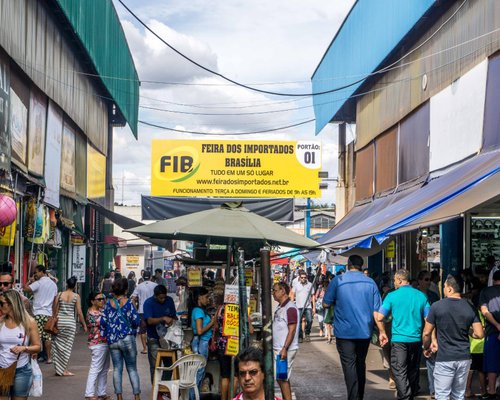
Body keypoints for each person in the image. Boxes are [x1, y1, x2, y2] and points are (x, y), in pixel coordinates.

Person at [323, 254, 386, 400]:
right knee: (360, 363)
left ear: (348, 265)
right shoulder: (370, 283)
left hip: (344, 332)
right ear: (361, 266)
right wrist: (382, 331)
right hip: (364, 331)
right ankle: (360, 395)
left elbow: (326, 303)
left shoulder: (338, 281)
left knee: (349, 365)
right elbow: (377, 311)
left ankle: (354, 397)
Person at [422, 275, 484, 400]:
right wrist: (467, 331)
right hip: (464, 358)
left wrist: (427, 346)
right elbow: (479, 334)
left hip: (444, 357)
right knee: (458, 395)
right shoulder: (470, 307)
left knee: (442, 395)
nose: (443, 289)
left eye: (444, 286)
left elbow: (426, 333)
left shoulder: (436, 306)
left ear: (450, 289)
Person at [375, 269, 430, 400]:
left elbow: (380, 316)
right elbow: (428, 319)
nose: (394, 282)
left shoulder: (392, 296)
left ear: (400, 280)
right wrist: (427, 337)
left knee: (399, 370)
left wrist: (382, 330)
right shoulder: (421, 296)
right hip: (416, 339)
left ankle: (405, 396)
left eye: (394, 280)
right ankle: (409, 393)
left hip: (399, 340)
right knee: (413, 369)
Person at [101, 278, 141, 400]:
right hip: (127, 339)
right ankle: (137, 396)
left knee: (117, 369)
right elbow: (136, 321)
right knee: (132, 368)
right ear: (126, 290)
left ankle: (119, 396)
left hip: (113, 341)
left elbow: (103, 322)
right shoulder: (129, 303)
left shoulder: (108, 304)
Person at [0, 289, 41, 399]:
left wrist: (24, 348)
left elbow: (37, 347)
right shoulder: (1, 322)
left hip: (21, 371)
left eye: (1, 303)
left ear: (11, 303)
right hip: (2, 369)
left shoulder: (29, 322)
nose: (0, 306)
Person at [213, 294, 254, 400]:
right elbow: (251, 330)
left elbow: (216, 327)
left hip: (222, 345)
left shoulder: (220, 308)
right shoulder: (241, 310)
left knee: (225, 376)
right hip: (235, 345)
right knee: (236, 376)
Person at [52, 276, 87, 376]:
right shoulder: (76, 296)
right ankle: (64, 370)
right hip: (70, 324)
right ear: (75, 285)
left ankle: (59, 369)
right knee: (67, 347)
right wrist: (84, 325)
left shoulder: (59, 295)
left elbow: (55, 309)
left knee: (58, 346)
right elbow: (79, 312)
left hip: (60, 322)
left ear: (66, 284)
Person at [23, 264, 58, 364]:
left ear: (42, 272)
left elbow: (25, 289)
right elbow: (55, 301)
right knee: (47, 337)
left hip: (38, 313)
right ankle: (49, 357)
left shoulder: (38, 283)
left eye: (36, 272)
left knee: (36, 335)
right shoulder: (53, 284)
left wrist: (30, 281)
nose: (35, 274)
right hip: (48, 313)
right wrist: (54, 314)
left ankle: (35, 356)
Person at [143, 285, 176, 383]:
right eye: (160, 298)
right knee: (155, 366)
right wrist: (163, 318)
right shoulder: (148, 303)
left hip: (167, 337)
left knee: (169, 364)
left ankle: (164, 386)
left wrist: (172, 320)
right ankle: (155, 389)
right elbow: (149, 321)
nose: (163, 300)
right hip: (153, 338)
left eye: (164, 297)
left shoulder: (169, 301)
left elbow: (173, 316)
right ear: (155, 296)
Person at [272, 282, 298, 400]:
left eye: (275, 290)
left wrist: (284, 349)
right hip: (279, 348)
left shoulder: (290, 308)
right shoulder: (280, 307)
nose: (273, 293)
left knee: (282, 378)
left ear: (282, 291)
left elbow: (292, 331)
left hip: (284, 349)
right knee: (281, 377)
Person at [85, 290, 111, 400]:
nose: (102, 301)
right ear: (92, 301)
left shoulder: (103, 310)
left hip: (105, 342)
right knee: (95, 368)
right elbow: (103, 322)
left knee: (104, 369)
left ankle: (101, 392)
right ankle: (89, 393)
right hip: (97, 343)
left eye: (103, 298)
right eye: (99, 299)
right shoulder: (91, 313)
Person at [190, 287, 215, 400]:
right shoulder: (198, 311)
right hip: (201, 343)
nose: (207, 299)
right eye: (205, 297)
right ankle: (193, 397)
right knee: (198, 374)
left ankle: (196, 397)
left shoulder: (199, 310)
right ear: (199, 298)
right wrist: (212, 322)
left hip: (202, 343)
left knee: (199, 373)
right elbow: (199, 331)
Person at [479, 270, 500, 398]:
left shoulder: (486, 292)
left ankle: (491, 391)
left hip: (492, 332)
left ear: (493, 280)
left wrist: (498, 326)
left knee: (492, 365)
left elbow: (484, 311)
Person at [131, 270, 157, 355]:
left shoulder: (139, 286)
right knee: (153, 329)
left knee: (143, 331)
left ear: (143, 277)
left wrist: (135, 308)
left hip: (142, 311)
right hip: (153, 311)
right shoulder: (155, 286)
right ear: (150, 277)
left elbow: (133, 299)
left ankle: (145, 348)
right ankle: (153, 347)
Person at [290, 270, 315, 343]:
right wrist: (292, 304)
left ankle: (307, 334)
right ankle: (300, 336)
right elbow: (292, 294)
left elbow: (313, 296)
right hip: (298, 306)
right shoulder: (296, 285)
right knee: (299, 322)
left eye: (305, 277)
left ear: (306, 277)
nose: (303, 279)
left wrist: (314, 307)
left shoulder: (310, 285)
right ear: (299, 278)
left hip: (308, 306)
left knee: (310, 320)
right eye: (302, 277)